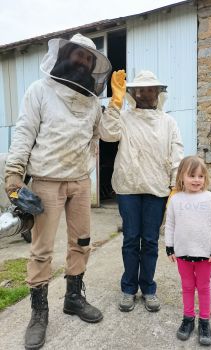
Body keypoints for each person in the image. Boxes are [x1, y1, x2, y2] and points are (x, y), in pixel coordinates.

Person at [4, 33, 121, 350]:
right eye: (78, 55)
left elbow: (110, 135)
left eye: (88, 59)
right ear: (65, 55)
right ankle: (39, 313)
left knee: (82, 242)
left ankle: (73, 298)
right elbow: (24, 132)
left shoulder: (93, 102)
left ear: (92, 66)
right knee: (41, 249)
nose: (82, 62)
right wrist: (14, 175)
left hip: (81, 181)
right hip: (46, 181)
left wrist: (117, 103)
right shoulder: (39, 91)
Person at [99, 70, 184, 312]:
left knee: (149, 241)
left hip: (157, 189)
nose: (145, 93)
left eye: (150, 89)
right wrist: (114, 104)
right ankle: (128, 289)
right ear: (133, 93)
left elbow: (176, 155)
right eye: (140, 90)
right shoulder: (124, 117)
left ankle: (148, 288)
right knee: (130, 239)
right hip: (128, 187)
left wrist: (175, 187)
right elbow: (107, 135)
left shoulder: (169, 122)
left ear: (158, 92)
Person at [165, 156, 211, 346]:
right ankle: (188, 318)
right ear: (181, 176)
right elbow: (170, 225)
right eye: (192, 175)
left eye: (200, 176)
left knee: (204, 288)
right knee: (187, 287)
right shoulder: (175, 200)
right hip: (182, 253)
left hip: (205, 256)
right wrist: (169, 247)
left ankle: (205, 322)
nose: (196, 180)